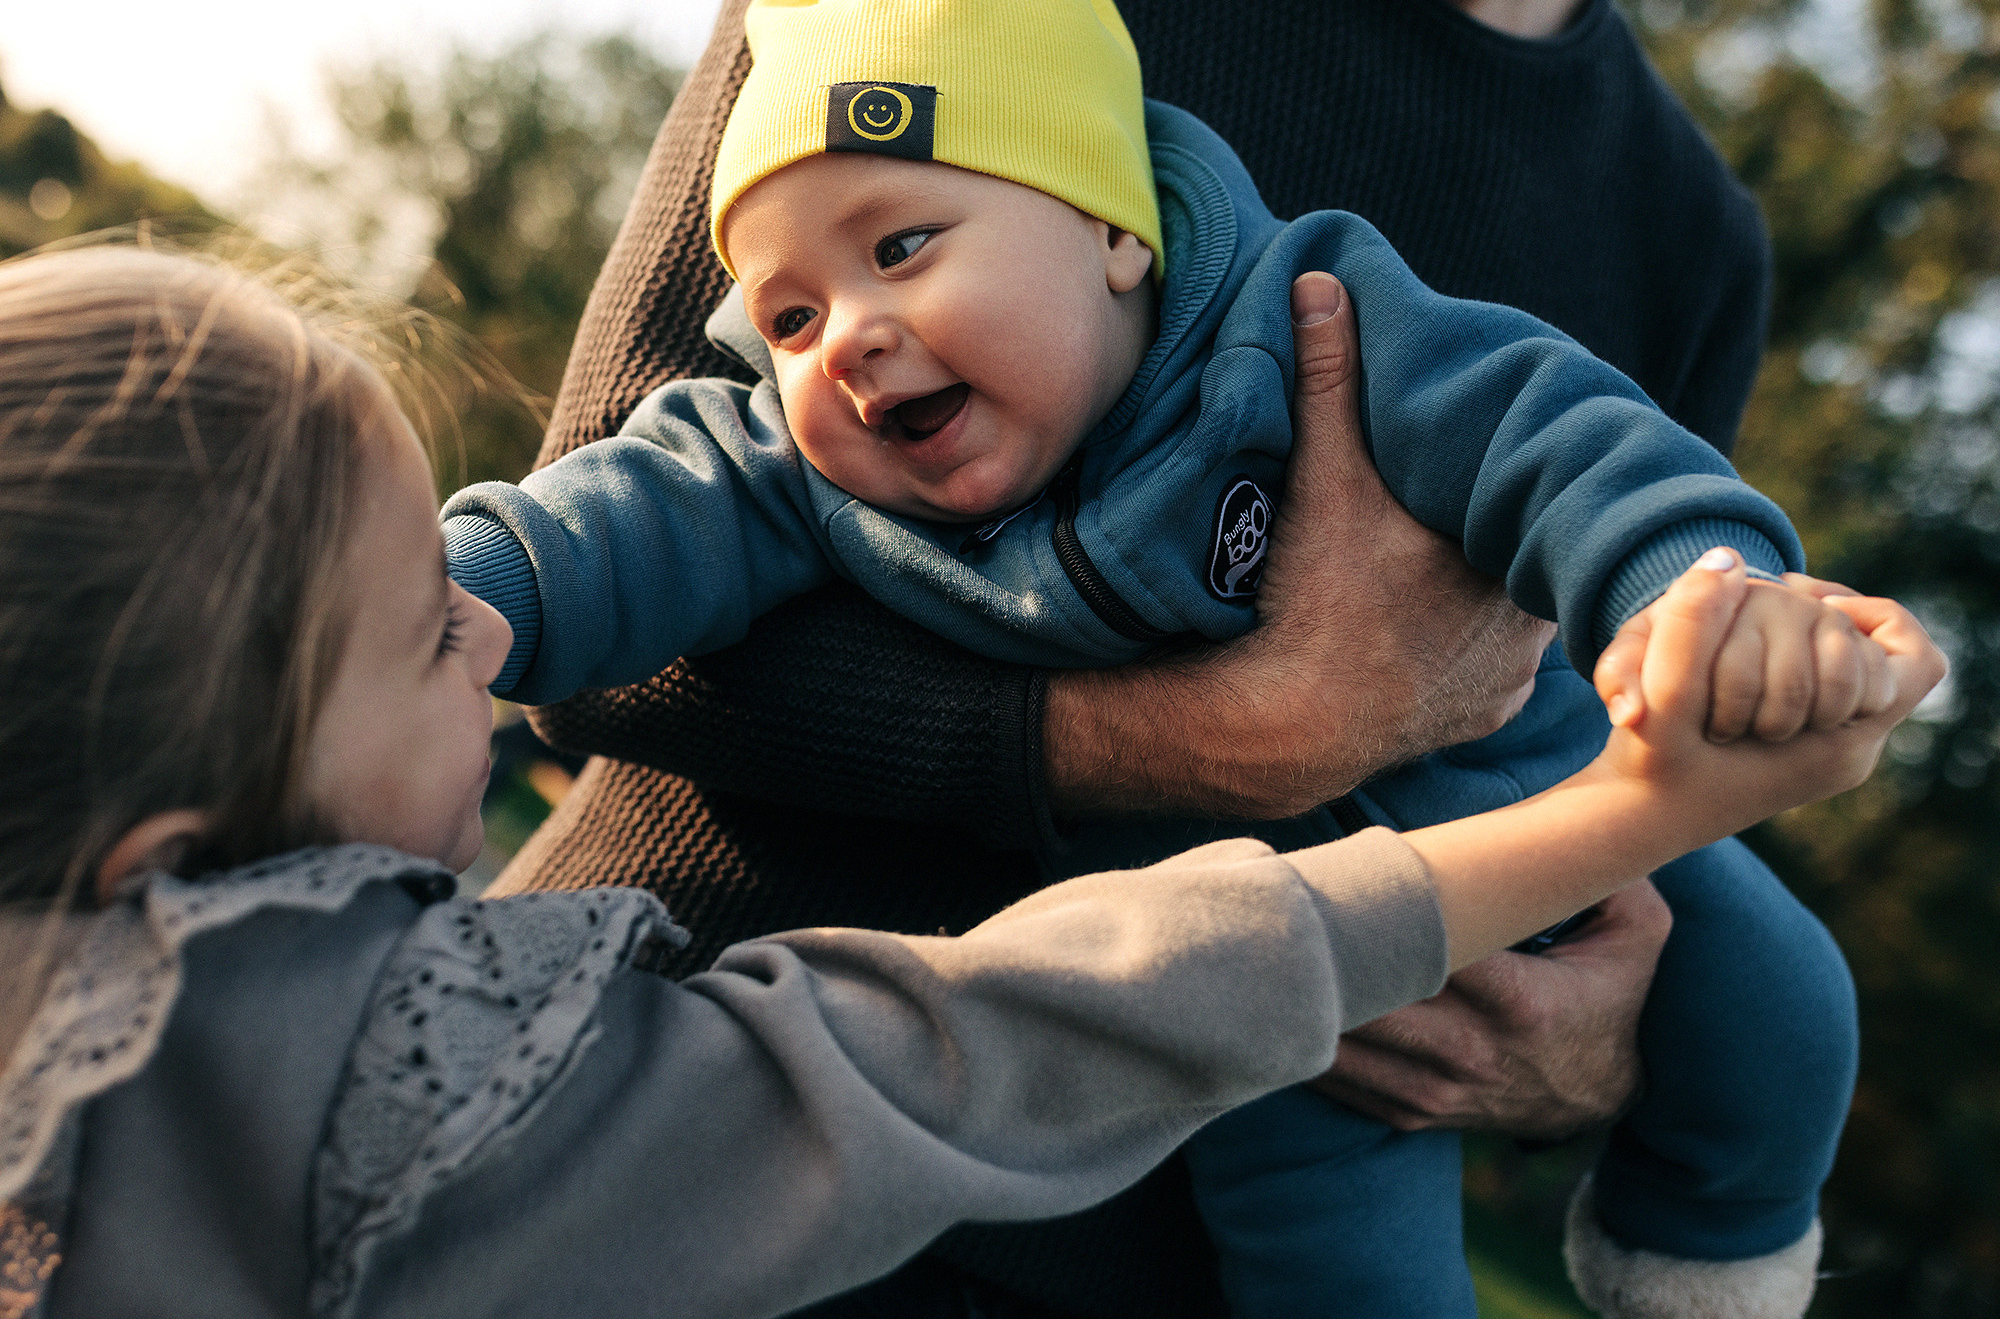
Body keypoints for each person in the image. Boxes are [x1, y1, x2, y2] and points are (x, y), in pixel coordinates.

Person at [0, 245, 1937, 1319]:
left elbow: (1602, 500)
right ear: (177, 852)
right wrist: (1612, 804)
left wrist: (1602, 1040)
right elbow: (982, 1038)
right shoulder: (432, 1108)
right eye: (434, 632)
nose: (488, 649)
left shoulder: (1668, 218)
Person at [442, 0, 1851, 1313]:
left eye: (903, 249)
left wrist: (1591, 1040)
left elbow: (1588, 469)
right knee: (1332, 1217)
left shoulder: (1636, 248)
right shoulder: (908, 57)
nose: (845, 339)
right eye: (789, 318)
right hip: (710, 1113)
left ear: (1125, 235)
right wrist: (1225, 736)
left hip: (1362, 977)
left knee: (1782, 1000)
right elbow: (612, 535)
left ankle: (1707, 1254)